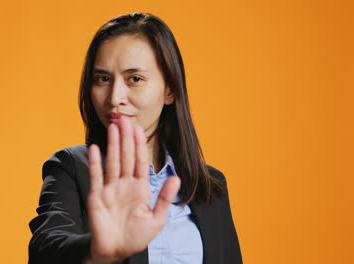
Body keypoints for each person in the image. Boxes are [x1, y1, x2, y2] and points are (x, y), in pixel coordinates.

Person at [28, 13, 242, 264]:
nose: (114, 97)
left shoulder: (210, 186)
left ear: (170, 90)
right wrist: (97, 250)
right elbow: (46, 249)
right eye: (103, 79)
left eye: (135, 79)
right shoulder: (71, 167)